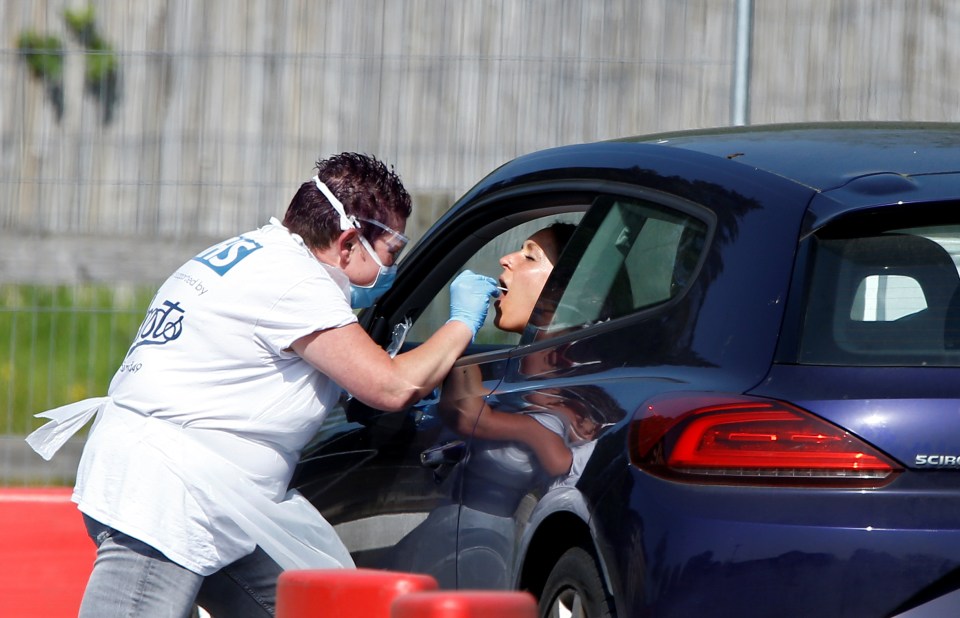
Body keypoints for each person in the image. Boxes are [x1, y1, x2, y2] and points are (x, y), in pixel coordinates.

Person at [25, 152, 499, 618]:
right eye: (392, 254)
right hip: (170, 498)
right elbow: (391, 388)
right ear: (350, 242)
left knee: (317, 606)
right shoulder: (295, 281)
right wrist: (461, 323)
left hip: (216, 495)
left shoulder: (259, 255)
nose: (389, 274)